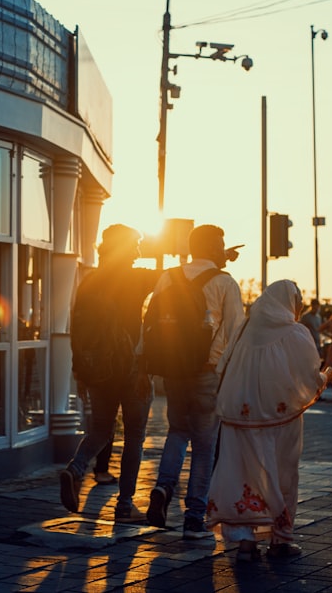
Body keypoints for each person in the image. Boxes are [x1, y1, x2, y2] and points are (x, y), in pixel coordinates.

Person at [207, 280, 326, 562]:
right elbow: (309, 375)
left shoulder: (243, 330)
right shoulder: (296, 333)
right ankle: (280, 541)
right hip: (280, 421)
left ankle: (246, 545)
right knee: (282, 474)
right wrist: (326, 378)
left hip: (239, 418)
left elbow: (222, 366)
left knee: (243, 476)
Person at [146, 224, 245, 539]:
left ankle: (163, 486)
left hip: (174, 370)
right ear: (213, 247)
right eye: (221, 243)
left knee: (177, 431)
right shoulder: (225, 283)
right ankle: (193, 518)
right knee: (204, 445)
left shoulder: (168, 276)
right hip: (207, 372)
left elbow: (149, 321)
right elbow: (237, 333)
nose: (223, 248)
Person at [59, 224, 158, 523]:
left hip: (99, 370)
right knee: (134, 438)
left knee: (100, 430)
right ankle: (124, 505)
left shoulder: (88, 282)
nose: (140, 250)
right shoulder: (137, 278)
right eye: (136, 244)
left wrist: (81, 370)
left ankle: (75, 469)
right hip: (132, 369)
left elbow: (76, 328)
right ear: (126, 248)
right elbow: (174, 279)